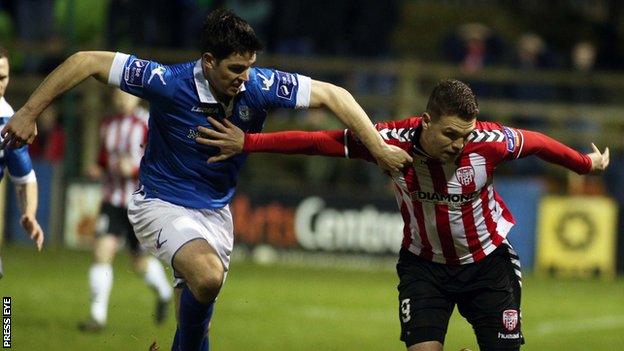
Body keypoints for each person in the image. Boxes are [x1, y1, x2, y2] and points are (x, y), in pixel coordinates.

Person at [1, 9, 412, 351]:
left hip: (215, 214)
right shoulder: (168, 81)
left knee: (197, 326)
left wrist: (376, 147)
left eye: (249, 67)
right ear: (208, 62)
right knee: (208, 276)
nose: (244, 78)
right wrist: (28, 112)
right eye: (235, 68)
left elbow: (334, 95)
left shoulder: (261, 85)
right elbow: (85, 60)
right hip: (159, 204)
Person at [196, 79, 610, 351]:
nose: (457, 144)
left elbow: (536, 143)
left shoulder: (489, 143)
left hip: (488, 265)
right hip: (423, 267)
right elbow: (319, 141)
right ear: (427, 121)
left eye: (464, 135)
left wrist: (583, 165)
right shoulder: (387, 141)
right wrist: (249, 141)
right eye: (449, 133)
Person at [78, 89, 173, 332]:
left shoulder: (147, 124)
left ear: (136, 97)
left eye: (126, 95)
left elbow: (161, 163)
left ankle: (163, 292)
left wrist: (132, 170)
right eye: (117, 95)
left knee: (139, 262)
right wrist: (97, 169)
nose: (121, 99)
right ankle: (97, 317)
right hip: (112, 201)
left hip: (138, 203)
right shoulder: (107, 125)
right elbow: (102, 160)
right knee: (102, 252)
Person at [0, 45, 44, 278]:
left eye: (2, 77)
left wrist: (30, 213)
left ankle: (6, 315)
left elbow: (25, 178)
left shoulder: (8, 124)